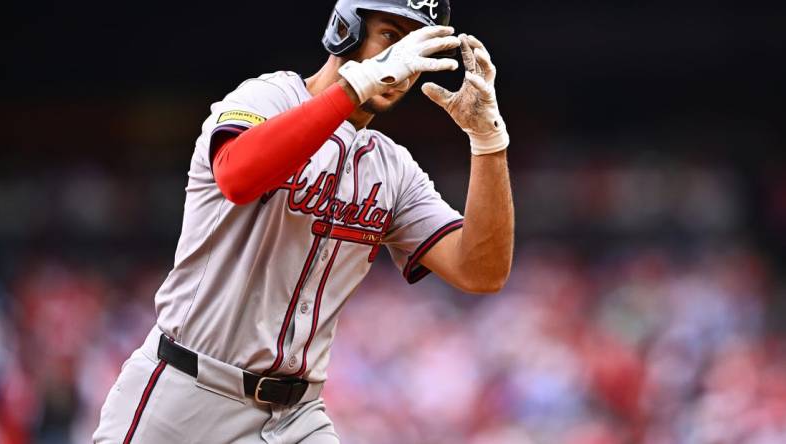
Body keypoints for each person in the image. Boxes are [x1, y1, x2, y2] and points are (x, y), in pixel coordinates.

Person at [93, 0, 513, 442]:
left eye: (415, 46)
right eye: (390, 37)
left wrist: (487, 141)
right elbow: (237, 177)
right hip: (187, 395)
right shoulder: (267, 97)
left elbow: (479, 271)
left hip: (296, 416)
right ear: (344, 30)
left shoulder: (391, 168)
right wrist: (355, 86)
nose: (402, 63)